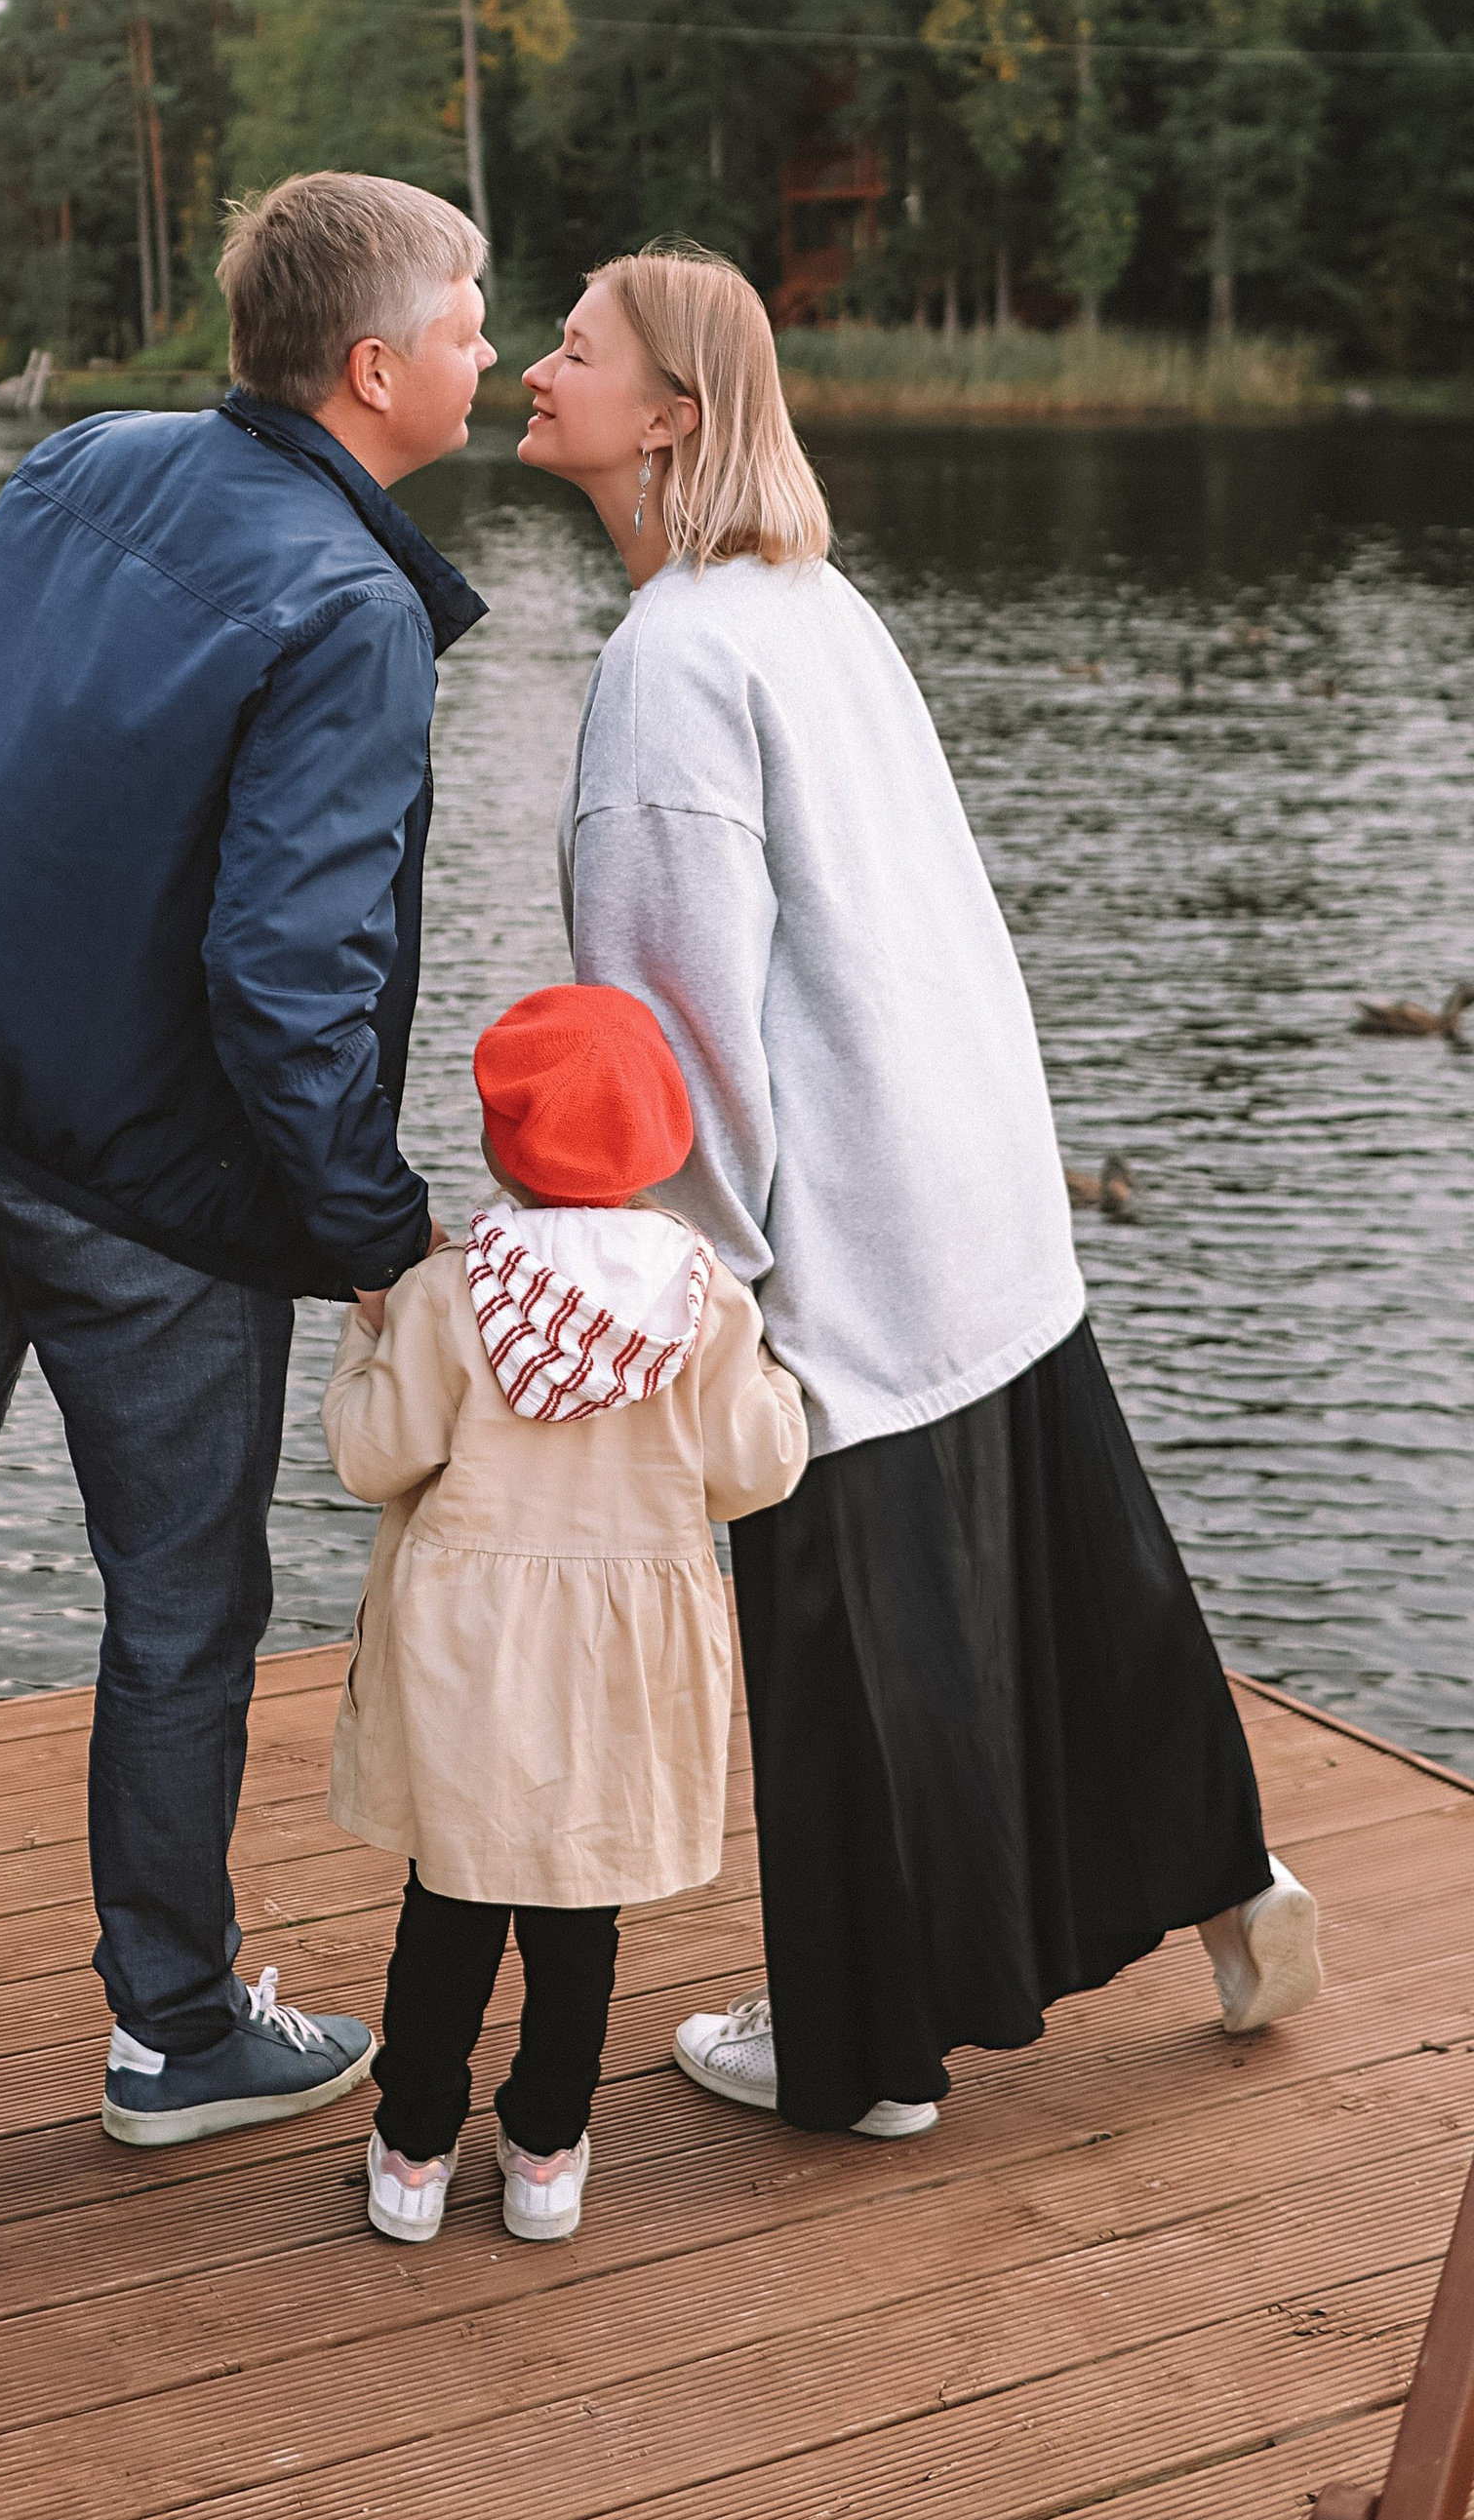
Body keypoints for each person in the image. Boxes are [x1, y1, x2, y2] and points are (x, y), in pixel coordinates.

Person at [515, 238, 1322, 2138]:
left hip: (846, 1219)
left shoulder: (667, 661)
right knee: (1066, 1575)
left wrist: (703, 1280)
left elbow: (672, 1014)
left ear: (671, 415)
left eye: (574, 346)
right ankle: (1229, 1885)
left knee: (847, 1641)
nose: (537, 368)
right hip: (971, 1181)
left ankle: (859, 2049)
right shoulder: (809, 599)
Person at [0, 171, 497, 2146]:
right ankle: (171, 2022)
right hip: (142, 1193)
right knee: (178, 1600)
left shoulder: (87, 458)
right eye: (470, 313)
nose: (487, 344)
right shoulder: (348, 608)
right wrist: (368, 1226)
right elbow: (280, 970)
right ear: (371, 366)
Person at [322, 978, 809, 2243]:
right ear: (665, 1143)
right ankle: (544, 2151)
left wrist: (361, 1340)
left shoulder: (453, 1292)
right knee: (578, 1909)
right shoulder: (700, 1301)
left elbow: (377, 1456)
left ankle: (415, 2148)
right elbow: (755, 1468)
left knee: (453, 1899)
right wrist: (776, 1382)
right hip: (623, 1650)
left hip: (472, 1644)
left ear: (498, 1144)